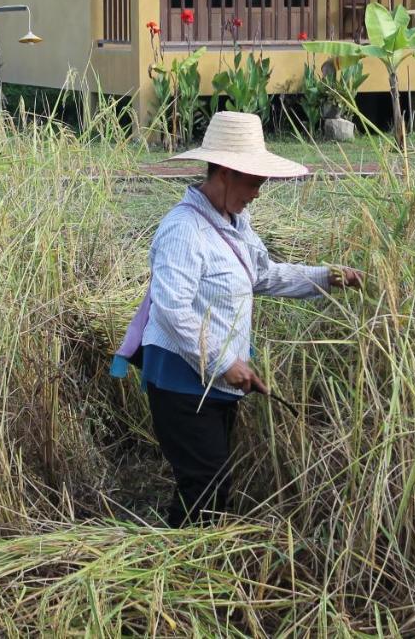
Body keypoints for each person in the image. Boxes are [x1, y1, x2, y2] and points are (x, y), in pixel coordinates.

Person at [114, 111, 362, 527]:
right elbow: (172, 309)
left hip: (213, 380)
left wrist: (328, 277)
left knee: (208, 482)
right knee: (206, 483)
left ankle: (188, 562)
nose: (258, 193)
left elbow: (263, 275)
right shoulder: (183, 230)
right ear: (226, 172)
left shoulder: (235, 225)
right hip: (181, 380)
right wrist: (224, 363)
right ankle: (182, 569)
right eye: (253, 182)